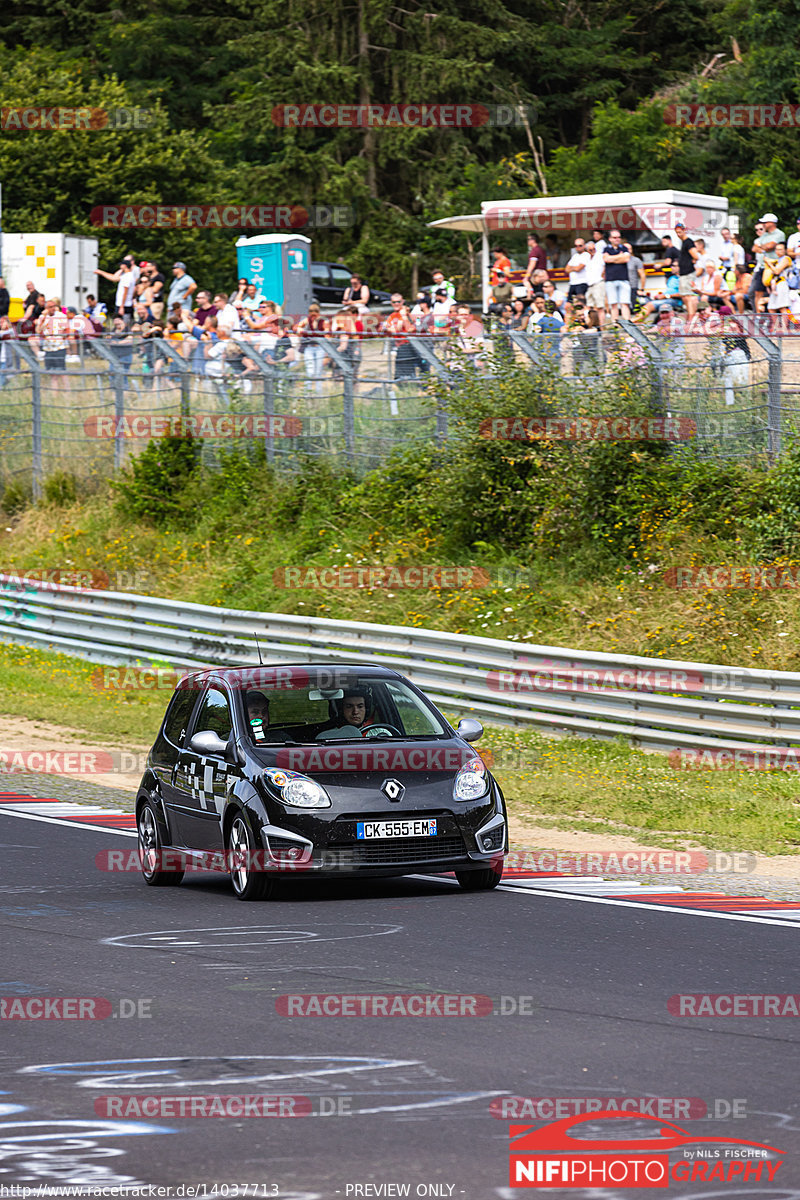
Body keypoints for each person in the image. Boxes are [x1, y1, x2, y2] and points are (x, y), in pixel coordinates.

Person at [35, 297, 69, 386]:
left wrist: (63, 337)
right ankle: (54, 396)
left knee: (62, 373)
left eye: (54, 306)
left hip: (59, 348)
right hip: (48, 349)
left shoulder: (61, 316)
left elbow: (67, 330)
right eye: (50, 307)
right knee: (52, 374)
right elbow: (38, 331)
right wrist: (44, 318)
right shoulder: (42, 317)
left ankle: (68, 393)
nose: (53, 308)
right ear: (46, 308)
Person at [295, 303, 328, 394]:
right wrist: (300, 330)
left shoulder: (323, 321)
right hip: (309, 347)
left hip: (319, 348)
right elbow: (297, 327)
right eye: (311, 312)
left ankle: (319, 392)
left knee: (318, 371)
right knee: (309, 370)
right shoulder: (307, 320)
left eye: (315, 312)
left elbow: (327, 332)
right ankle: (307, 391)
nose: (313, 315)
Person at [382, 294, 417, 379]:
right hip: (399, 346)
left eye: (398, 301)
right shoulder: (393, 315)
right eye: (394, 302)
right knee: (399, 374)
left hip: (407, 345)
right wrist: (390, 328)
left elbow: (398, 328)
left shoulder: (405, 313)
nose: (396, 304)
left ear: (402, 302)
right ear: (391, 303)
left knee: (406, 374)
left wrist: (391, 328)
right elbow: (384, 327)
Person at [603, 229, 631, 322]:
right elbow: (606, 259)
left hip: (623, 279)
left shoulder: (624, 248)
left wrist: (613, 258)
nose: (617, 239)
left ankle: (627, 324)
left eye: (618, 237)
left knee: (625, 303)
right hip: (610, 279)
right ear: (610, 239)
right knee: (613, 304)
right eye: (614, 237)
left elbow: (626, 259)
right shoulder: (606, 249)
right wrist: (619, 257)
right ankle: (615, 324)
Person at [674, 222, 700, 317]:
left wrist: (690, 263)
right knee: (685, 296)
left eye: (680, 232)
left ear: (684, 231)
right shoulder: (684, 242)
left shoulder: (688, 242)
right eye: (677, 232)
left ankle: (691, 317)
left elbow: (695, 256)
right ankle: (691, 316)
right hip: (684, 273)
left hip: (688, 273)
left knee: (688, 296)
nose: (678, 234)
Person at [563, 238, 590, 313]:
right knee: (568, 305)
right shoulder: (575, 256)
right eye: (576, 246)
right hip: (573, 283)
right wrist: (575, 268)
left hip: (582, 283)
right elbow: (567, 269)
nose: (578, 247)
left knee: (580, 304)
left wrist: (573, 268)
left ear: (584, 246)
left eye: (580, 245)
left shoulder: (586, 255)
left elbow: (579, 268)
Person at [583, 242, 606, 327]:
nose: (592, 251)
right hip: (589, 284)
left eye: (593, 249)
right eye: (590, 249)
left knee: (600, 306)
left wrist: (603, 276)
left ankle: (601, 325)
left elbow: (605, 267)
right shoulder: (586, 257)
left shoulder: (600, 256)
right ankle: (591, 324)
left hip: (598, 282)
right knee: (589, 306)